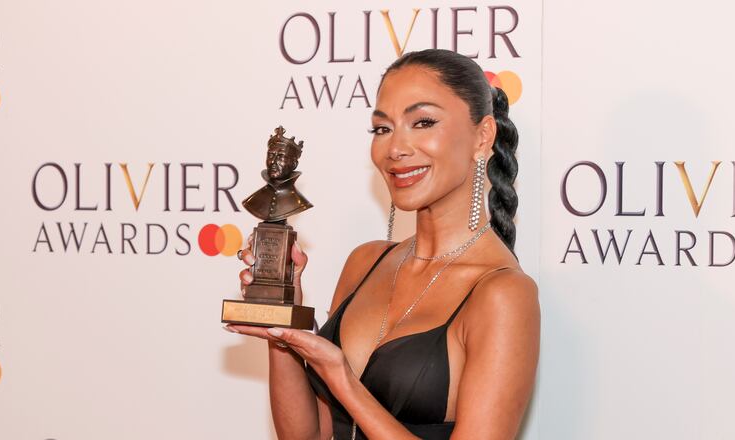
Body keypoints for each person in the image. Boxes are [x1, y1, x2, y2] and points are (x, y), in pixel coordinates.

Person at [225, 49, 540, 440]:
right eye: (382, 129)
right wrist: (283, 327)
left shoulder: (502, 293)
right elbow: (309, 436)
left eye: (423, 122)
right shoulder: (366, 262)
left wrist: (341, 377)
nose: (395, 149)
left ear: (482, 136)